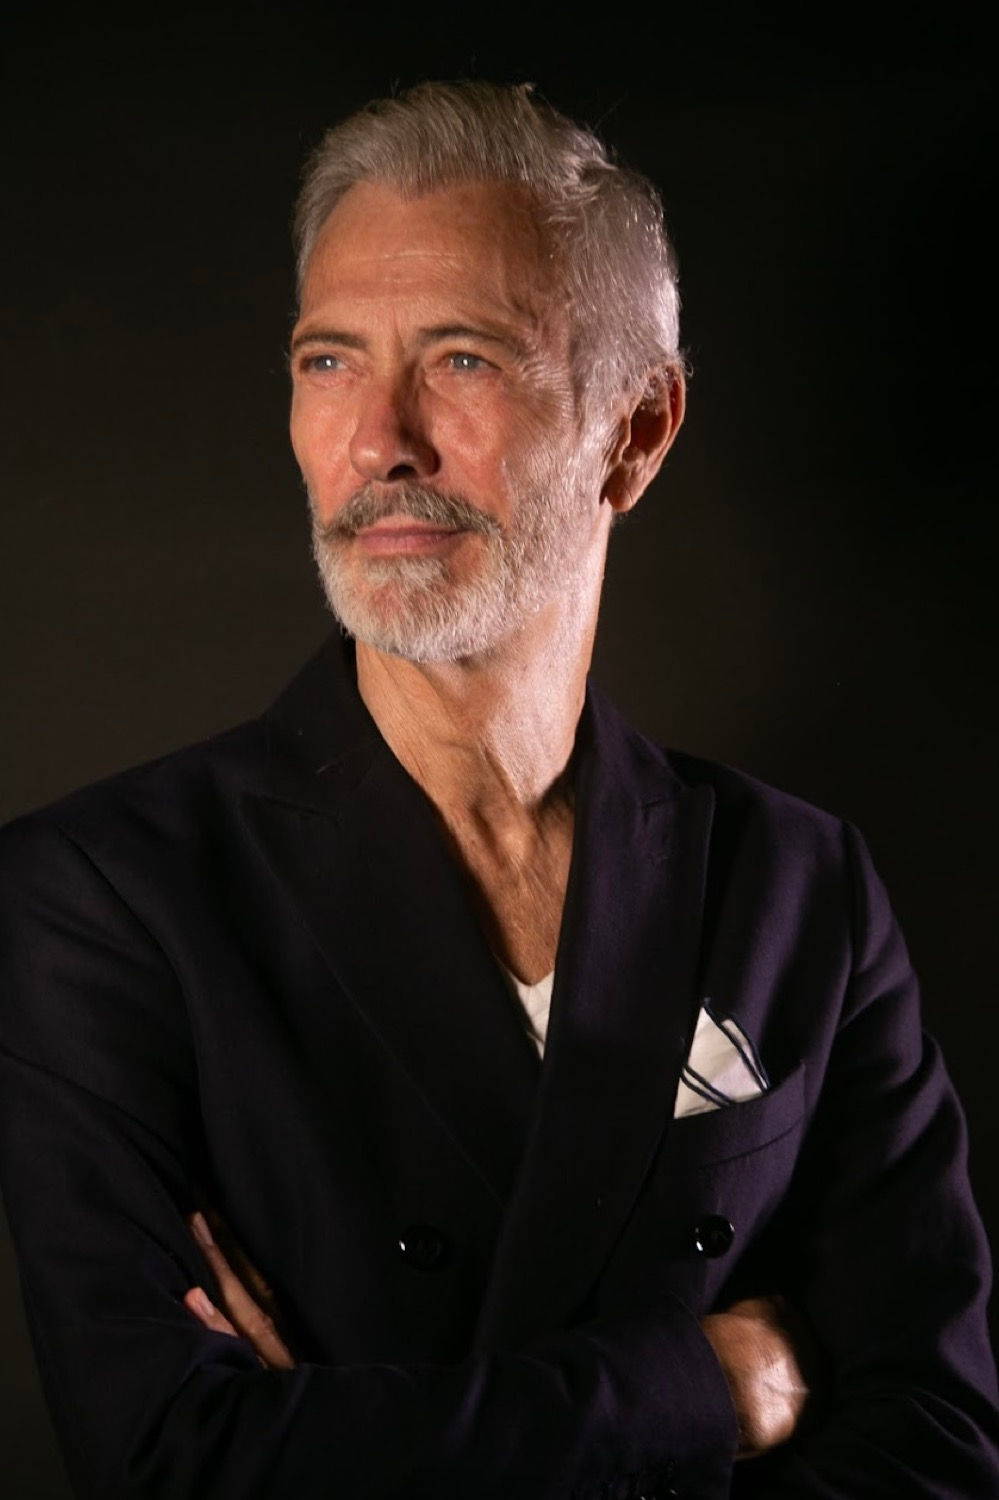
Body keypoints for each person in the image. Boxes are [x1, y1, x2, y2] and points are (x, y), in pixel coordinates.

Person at [0, 80, 995, 1500]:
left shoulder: (797, 888)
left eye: (461, 359)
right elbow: (178, 1460)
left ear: (636, 431)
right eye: (330, 361)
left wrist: (356, 1439)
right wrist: (707, 1388)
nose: (379, 440)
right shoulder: (103, 900)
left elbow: (938, 1442)